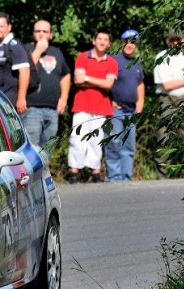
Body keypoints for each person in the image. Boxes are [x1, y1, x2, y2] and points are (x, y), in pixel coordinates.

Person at [67, 30, 118, 183]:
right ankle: (74, 172)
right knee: (77, 138)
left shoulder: (112, 62)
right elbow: (77, 80)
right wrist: (99, 82)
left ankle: (95, 172)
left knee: (97, 140)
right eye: (99, 39)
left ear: (109, 43)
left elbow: (108, 84)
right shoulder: (83, 57)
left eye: (105, 39)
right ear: (93, 40)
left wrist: (88, 78)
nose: (102, 42)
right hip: (82, 104)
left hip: (102, 106)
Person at [22, 20, 71, 148]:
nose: (41, 34)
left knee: (47, 150)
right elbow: (26, 69)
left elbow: (65, 74)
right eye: (38, 31)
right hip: (31, 107)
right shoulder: (26, 49)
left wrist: (64, 98)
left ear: (51, 34)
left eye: (45, 31)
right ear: (33, 34)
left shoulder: (57, 52)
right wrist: (38, 50)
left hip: (53, 109)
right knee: (31, 149)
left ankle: (45, 169)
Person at [105, 29, 144, 181]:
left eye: (133, 42)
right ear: (122, 42)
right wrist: (109, 100)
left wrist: (140, 104)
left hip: (131, 112)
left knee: (129, 147)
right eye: (128, 41)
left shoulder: (136, 63)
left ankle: (126, 179)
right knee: (114, 143)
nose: (130, 45)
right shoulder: (113, 59)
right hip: (116, 111)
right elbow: (105, 82)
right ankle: (114, 178)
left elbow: (140, 84)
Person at [153, 30, 184, 173]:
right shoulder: (161, 57)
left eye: (178, 39)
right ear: (168, 42)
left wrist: (180, 82)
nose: (176, 42)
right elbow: (166, 85)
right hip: (166, 99)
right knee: (164, 136)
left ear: (183, 40)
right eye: (172, 40)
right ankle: (163, 174)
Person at [0, 12, 31, 112]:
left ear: (9, 27)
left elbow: (25, 71)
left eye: (1, 26)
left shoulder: (14, 46)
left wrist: (21, 98)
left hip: (7, 100)